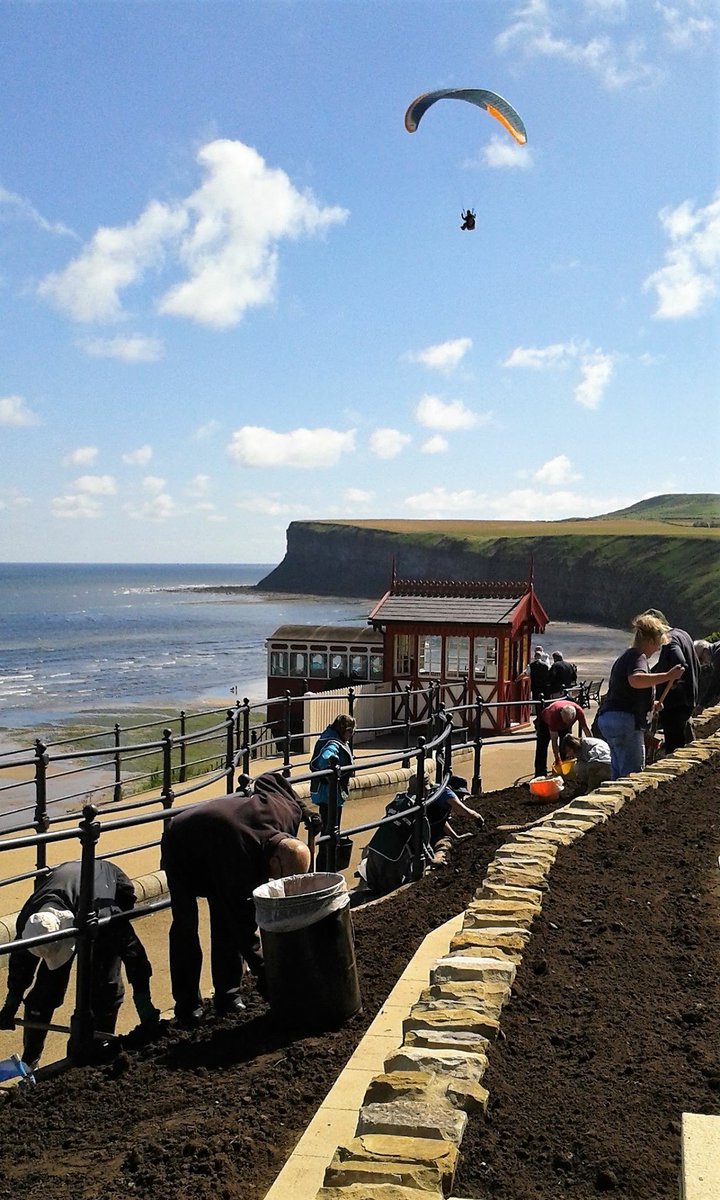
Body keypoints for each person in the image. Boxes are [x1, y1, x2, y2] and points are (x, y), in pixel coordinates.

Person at [161, 771, 312, 1025]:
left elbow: (272, 779)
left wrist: (307, 811)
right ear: (274, 860)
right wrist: (267, 974)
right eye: (281, 876)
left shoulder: (288, 814)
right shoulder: (240, 855)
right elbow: (243, 924)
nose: (276, 881)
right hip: (184, 846)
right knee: (187, 926)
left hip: (219, 843)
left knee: (223, 921)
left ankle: (227, 995)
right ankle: (187, 1006)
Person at [0, 860, 158, 1068]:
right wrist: (11, 1004)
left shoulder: (104, 912)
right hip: (70, 891)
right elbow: (22, 962)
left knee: (105, 983)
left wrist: (142, 998)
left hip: (108, 887)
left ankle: (98, 1045)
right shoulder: (31, 920)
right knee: (45, 991)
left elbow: (131, 950)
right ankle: (30, 1060)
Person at [358, 773, 482, 896]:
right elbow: (420, 841)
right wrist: (432, 860)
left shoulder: (399, 799)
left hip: (375, 848)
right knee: (391, 891)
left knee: (374, 889)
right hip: (393, 856)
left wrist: (455, 837)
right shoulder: (417, 811)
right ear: (425, 791)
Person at [597, 612, 685, 780]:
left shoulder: (627, 657)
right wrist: (668, 676)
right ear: (650, 641)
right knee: (632, 774)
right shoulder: (638, 656)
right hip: (625, 721)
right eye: (657, 644)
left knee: (618, 772)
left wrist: (651, 703)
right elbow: (635, 680)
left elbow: (628, 690)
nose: (658, 649)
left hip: (609, 719)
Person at [310, 714, 355, 864]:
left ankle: (326, 861)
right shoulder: (333, 742)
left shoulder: (329, 736)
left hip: (325, 792)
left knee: (328, 829)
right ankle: (326, 863)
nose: (351, 735)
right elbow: (326, 756)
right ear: (344, 730)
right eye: (351, 732)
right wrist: (332, 764)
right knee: (330, 830)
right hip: (330, 793)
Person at [652, 622, 699, 752]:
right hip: (689, 698)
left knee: (674, 745)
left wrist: (672, 683)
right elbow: (697, 665)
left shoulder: (670, 640)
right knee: (683, 738)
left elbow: (679, 662)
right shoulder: (684, 634)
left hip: (674, 703)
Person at [534, 700, 591, 778]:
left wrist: (592, 744)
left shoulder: (579, 711)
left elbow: (586, 729)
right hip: (545, 723)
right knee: (542, 746)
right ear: (561, 714)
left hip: (563, 724)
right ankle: (540, 773)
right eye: (566, 721)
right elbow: (554, 740)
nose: (567, 723)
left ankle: (565, 770)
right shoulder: (552, 715)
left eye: (569, 721)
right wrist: (557, 758)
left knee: (565, 745)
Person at [694, 639, 720, 709]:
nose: (702, 663)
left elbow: (715, 681)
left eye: (700, 659)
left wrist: (702, 704)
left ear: (705, 650)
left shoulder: (718, 653)